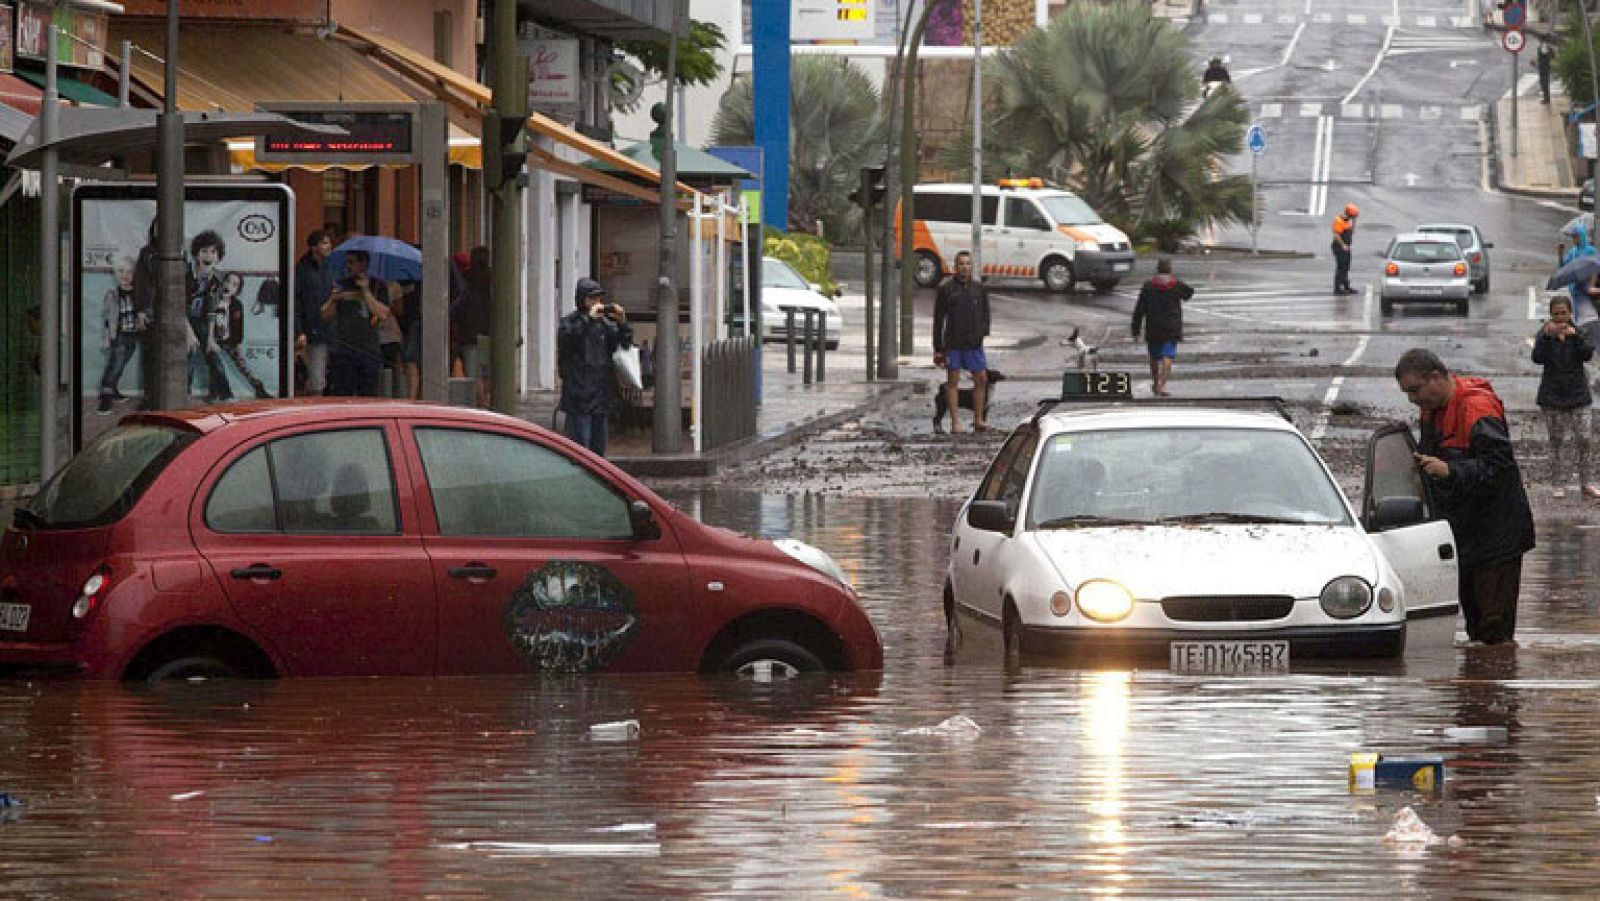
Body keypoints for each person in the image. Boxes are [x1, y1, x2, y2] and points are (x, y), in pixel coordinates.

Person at [1394, 348, 1535, 645]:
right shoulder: (1432, 408)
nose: (1412, 399)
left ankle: (1497, 684)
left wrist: (1451, 471)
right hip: (1464, 533)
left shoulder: (1477, 408)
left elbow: (1499, 467)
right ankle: (1479, 684)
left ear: (1435, 377)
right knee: (1475, 626)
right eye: (1407, 392)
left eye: (1415, 390)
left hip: (1498, 536)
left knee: (1494, 629)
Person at [1532, 296, 1598, 498]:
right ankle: (1557, 484)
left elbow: (1587, 354)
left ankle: (1586, 483)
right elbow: (1537, 358)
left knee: (1585, 439)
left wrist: (1575, 336)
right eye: (1556, 314)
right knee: (1556, 441)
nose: (1560, 318)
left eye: (1564, 313)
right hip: (1552, 395)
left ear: (1570, 314)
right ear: (1551, 315)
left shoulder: (1580, 332)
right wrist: (1546, 337)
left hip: (1578, 393)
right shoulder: (1544, 334)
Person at [558, 277, 632, 456]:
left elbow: (624, 344)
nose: (596, 303)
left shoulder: (604, 325)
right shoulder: (570, 322)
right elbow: (568, 342)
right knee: (580, 447)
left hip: (600, 396)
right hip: (579, 396)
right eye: (592, 299)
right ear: (582, 300)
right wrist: (587, 321)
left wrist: (622, 323)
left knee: (598, 449)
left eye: (599, 299)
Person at [932, 250, 992, 433]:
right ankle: (955, 423)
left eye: (968, 264)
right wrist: (938, 348)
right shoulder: (946, 289)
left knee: (981, 379)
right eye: (961, 264)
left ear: (971, 267)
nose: (964, 267)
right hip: (954, 343)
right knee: (953, 381)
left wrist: (982, 333)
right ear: (955, 267)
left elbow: (986, 314)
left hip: (973, 344)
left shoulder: (978, 289)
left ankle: (979, 419)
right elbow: (939, 319)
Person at [320, 248, 390, 398]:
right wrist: (333, 300)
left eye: (352, 262)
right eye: (347, 262)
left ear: (363, 263)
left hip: (369, 350)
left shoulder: (378, 286)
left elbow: (383, 314)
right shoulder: (340, 284)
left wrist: (366, 292)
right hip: (343, 350)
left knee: (369, 396)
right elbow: (325, 315)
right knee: (342, 396)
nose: (349, 266)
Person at [1130, 257, 1194, 397]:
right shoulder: (1176, 285)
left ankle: (1155, 381)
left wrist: (1135, 330)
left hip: (1153, 326)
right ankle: (1161, 385)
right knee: (1168, 355)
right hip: (1171, 327)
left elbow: (1139, 310)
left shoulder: (1148, 286)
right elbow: (1189, 293)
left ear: (1157, 269)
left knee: (1154, 356)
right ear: (1170, 269)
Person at [96, 256, 146, 415]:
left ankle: (114, 390)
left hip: (133, 335)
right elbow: (107, 318)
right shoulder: (113, 294)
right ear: (115, 274)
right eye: (121, 271)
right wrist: (107, 338)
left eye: (130, 272)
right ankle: (105, 396)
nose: (125, 275)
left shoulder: (138, 293)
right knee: (115, 364)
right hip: (119, 336)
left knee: (121, 363)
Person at [185, 230, 231, 402]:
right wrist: (189, 335)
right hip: (181, 320)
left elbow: (211, 309)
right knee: (188, 352)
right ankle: (184, 395)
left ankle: (224, 395)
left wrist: (210, 338)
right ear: (196, 254)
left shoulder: (218, 278)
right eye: (204, 251)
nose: (209, 256)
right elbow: (177, 307)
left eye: (213, 252)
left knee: (213, 353)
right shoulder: (184, 273)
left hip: (202, 320)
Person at [294, 230, 335, 395]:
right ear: (313, 247)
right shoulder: (302, 270)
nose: (329, 246)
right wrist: (299, 331)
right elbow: (296, 302)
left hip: (331, 328)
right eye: (324, 243)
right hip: (311, 329)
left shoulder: (330, 267)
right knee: (316, 377)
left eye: (329, 242)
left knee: (326, 375)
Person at [1331, 203, 1359, 295]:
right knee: (1341, 268)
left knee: (1346, 267)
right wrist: (1343, 245)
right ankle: (1337, 288)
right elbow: (1336, 235)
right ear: (1349, 214)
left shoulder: (1347, 221)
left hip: (1346, 247)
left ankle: (1346, 286)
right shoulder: (1338, 220)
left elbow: (1352, 232)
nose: (1353, 218)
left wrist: (1354, 221)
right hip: (1339, 247)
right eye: (1353, 216)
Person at [1536, 38, 1554, 105]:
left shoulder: (1543, 47)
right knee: (1544, 84)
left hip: (1544, 68)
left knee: (1544, 84)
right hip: (1545, 67)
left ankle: (1546, 99)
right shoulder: (1547, 47)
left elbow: (1543, 59)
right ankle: (1546, 98)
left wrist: (1537, 64)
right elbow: (1552, 56)